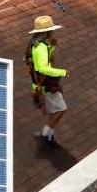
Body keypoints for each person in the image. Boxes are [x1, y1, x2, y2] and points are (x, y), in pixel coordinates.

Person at [26, 15, 68, 145]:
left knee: (54, 111)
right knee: (61, 110)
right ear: (46, 33)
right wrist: (63, 72)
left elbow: (38, 63)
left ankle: (48, 135)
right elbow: (43, 68)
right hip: (47, 84)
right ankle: (46, 134)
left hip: (40, 83)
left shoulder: (35, 45)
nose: (53, 32)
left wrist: (51, 47)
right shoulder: (42, 47)